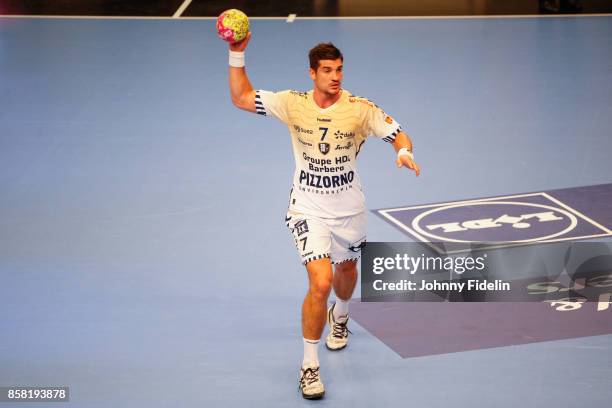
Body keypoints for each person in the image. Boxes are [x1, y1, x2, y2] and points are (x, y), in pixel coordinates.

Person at [226, 32, 420, 399]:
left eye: (340, 70)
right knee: (320, 281)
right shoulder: (293, 104)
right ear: (312, 73)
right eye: (328, 70)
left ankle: (341, 315)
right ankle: (309, 366)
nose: (336, 76)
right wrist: (237, 54)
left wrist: (404, 152)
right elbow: (240, 97)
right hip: (307, 209)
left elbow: (397, 133)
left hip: (348, 210)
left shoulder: (359, 109)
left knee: (346, 272)